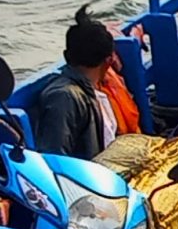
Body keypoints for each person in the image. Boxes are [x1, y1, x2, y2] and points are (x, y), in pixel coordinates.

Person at [31, 17, 123, 161]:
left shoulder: (87, 93)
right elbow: (55, 159)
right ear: (109, 61)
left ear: (66, 56)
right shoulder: (64, 98)